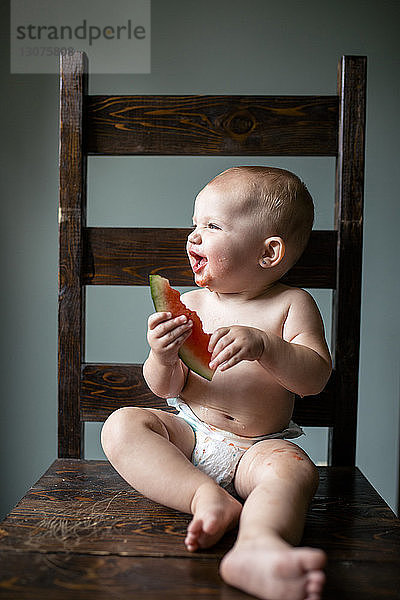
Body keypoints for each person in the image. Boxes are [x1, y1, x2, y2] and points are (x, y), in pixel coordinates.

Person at [101, 166, 332, 600]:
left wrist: (268, 347)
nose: (193, 236)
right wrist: (161, 355)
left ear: (269, 252)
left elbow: (315, 377)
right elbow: (165, 388)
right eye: (194, 224)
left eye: (211, 225)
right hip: (188, 434)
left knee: (294, 471)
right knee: (121, 425)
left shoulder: (292, 305)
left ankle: (258, 546)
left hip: (257, 446)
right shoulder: (188, 303)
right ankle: (205, 498)